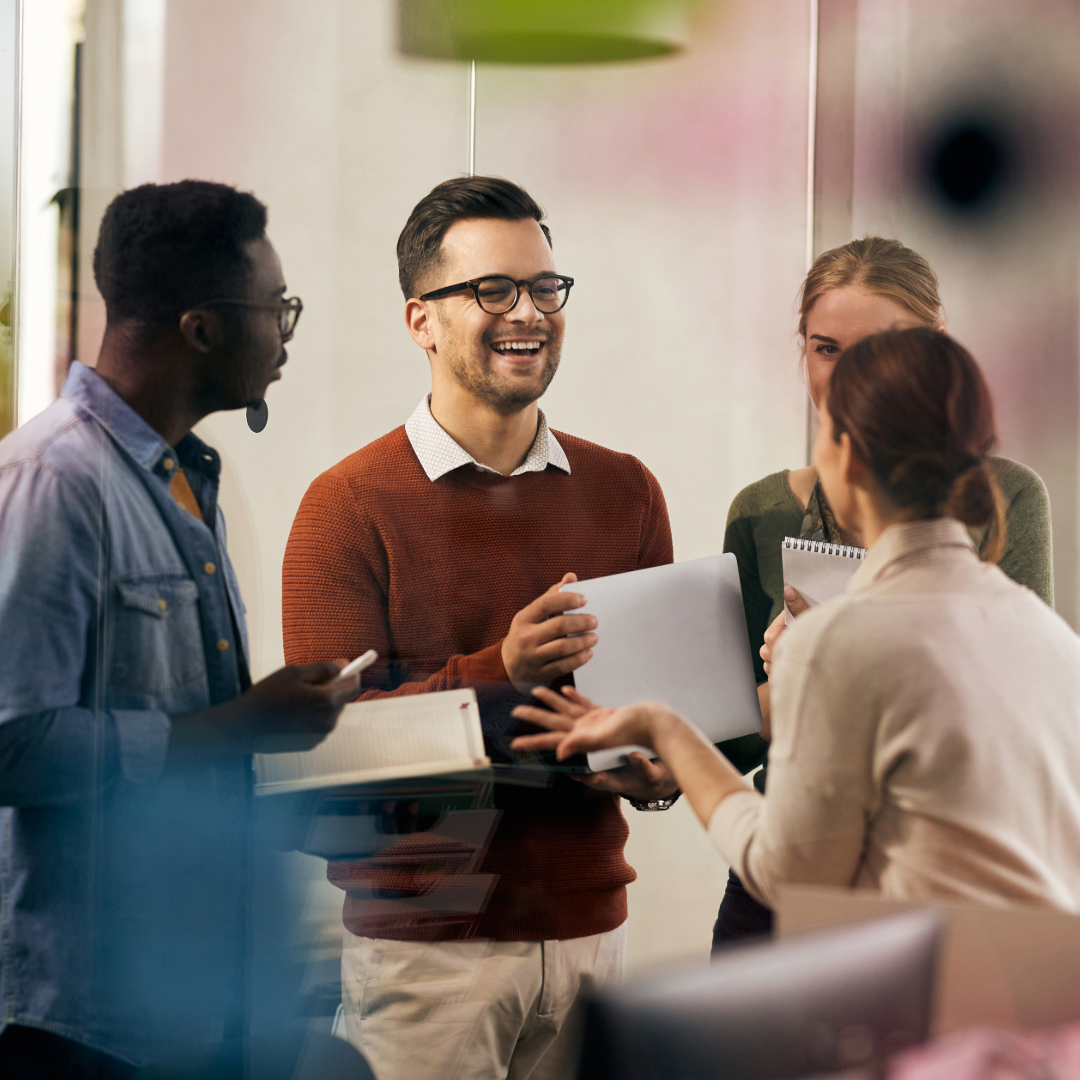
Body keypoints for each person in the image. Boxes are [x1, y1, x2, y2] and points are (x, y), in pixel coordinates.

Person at [282, 175, 677, 1080]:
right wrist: (499, 668)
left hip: (591, 937)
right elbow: (331, 758)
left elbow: (648, 711)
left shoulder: (626, 490)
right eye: (492, 291)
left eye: (544, 287)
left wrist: (654, 770)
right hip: (428, 954)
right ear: (422, 319)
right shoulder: (346, 507)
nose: (528, 313)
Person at [512, 327, 1080, 916]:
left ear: (848, 456)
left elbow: (786, 876)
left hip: (924, 992)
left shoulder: (838, 643)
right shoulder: (1054, 639)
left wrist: (664, 728)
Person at [0, 181, 364, 1077]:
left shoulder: (187, 478)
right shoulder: (54, 483)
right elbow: (11, 744)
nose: (284, 332)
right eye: (276, 308)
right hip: (86, 1021)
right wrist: (235, 729)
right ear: (201, 328)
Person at [713, 236, 1054, 946]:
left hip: (935, 885)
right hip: (787, 862)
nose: (848, 380)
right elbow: (739, 731)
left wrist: (832, 658)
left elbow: (1009, 715)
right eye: (826, 349)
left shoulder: (1007, 496)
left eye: (881, 348)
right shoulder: (760, 510)